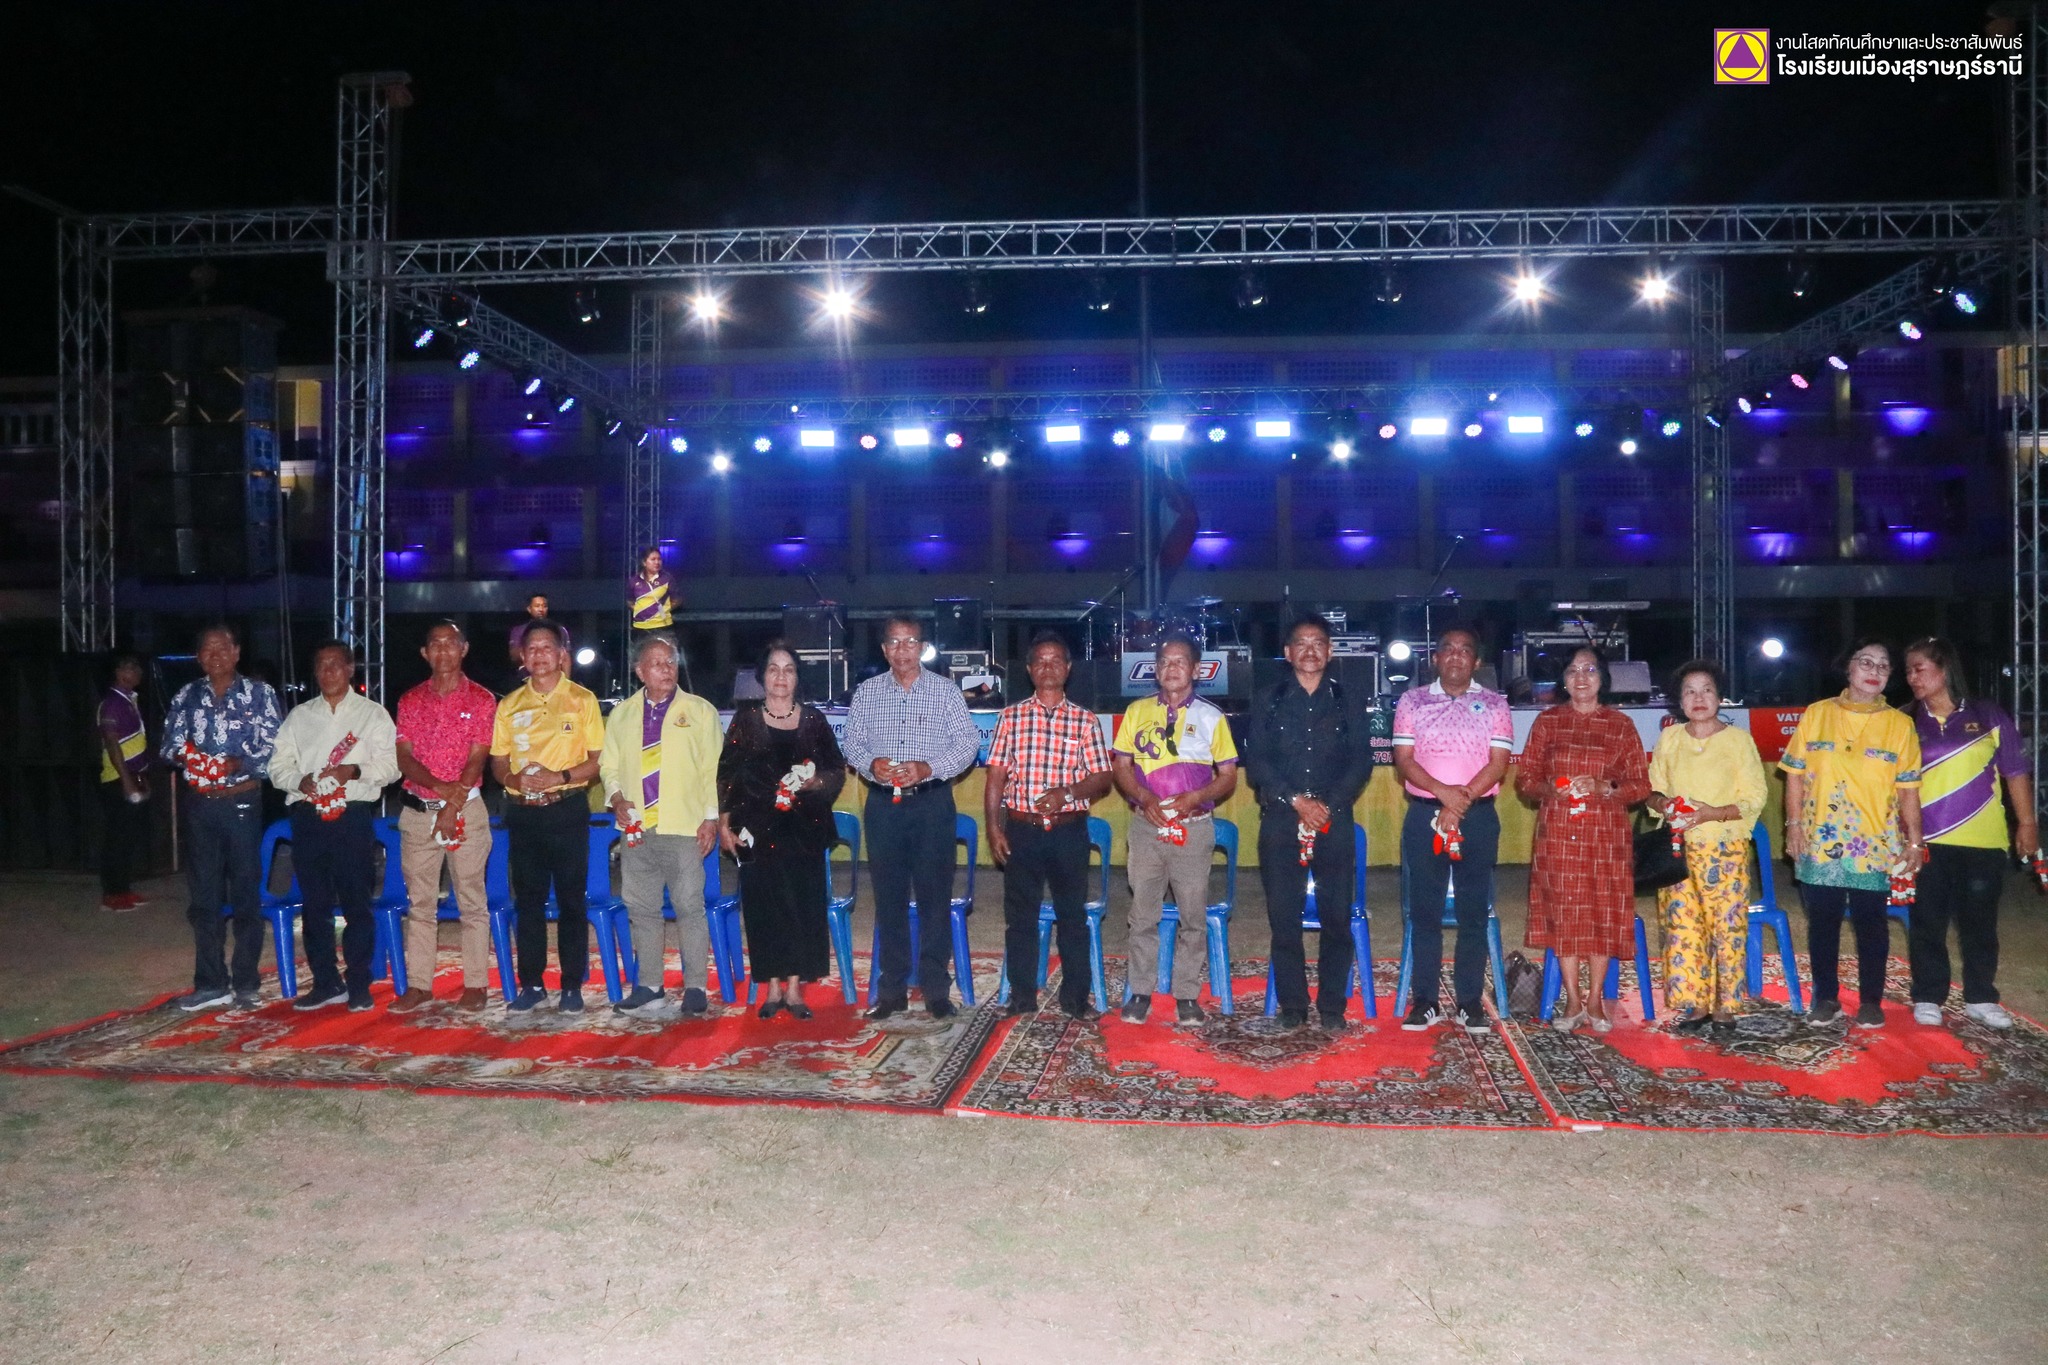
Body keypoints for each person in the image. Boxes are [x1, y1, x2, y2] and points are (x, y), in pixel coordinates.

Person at [841, 614, 983, 1021]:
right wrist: (871, 763)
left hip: (931, 804)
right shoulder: (868, 692)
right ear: (884, 649)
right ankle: (892, 990)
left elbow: (968, 745)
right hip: (884, 806)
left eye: (910, 642)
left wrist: (929, 767)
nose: (902, 650)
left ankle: (936, 989)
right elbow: (851, 742)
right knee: (889, 899)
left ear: (922, 648)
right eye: (894, 642)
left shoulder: (945, 692)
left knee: (934, 897)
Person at [1780, 637, 1924, 1028]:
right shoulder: (1817, 714)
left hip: (1874, 843)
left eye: (1883, 665)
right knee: (1823, 921)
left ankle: (1871, 1001)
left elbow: (1909, 790)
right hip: (1820, 840)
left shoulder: (1900, 725)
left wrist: (1915, 841)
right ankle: (1826, 998)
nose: (1875, 671)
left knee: (1871, 923)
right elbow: (1794, 777)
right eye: (1866, 662)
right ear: (1848, 667)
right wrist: (1793, 826)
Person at [1244, 615, 1375, 1030]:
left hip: (1333, 819)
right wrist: (1297, 800)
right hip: (1282, 817)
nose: (1310, 650)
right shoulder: (1268, 698)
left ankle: (1332, 1007)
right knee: (1284, 919)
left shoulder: (1348, 698)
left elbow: (1362, 760)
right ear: (1287, 653)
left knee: (1336, 918)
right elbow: (1256, 761)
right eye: (1301, 643)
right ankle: (1294, 1006)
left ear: (1330, 651)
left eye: (1318, 643)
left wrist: (1327, 805)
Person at [1516, 646, 1653, 1034]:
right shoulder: (1548, 722)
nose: (1581, 677)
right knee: (1565, 911)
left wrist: (1604, 787)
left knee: (1600, 910)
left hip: (1606, 832)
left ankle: (1595, 1000)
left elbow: (1641, 785)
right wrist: (1550, 789)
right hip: (1559, 831)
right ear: (1563, 680)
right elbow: (1525, 781)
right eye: (1573, 670)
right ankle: (1573, 1000)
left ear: (1602, 678)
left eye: (1590, 670)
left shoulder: (1620, 725)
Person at [1902, 637, 2032, 1031]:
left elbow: (2015, 771)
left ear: (1944, 669)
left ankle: (1980, 997)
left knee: (1980, 923)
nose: (1911, 677)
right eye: (1908, 671)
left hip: (1983, 840)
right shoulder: (1904, 720)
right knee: (1927, 922)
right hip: (1926, 841)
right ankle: (1928, 995)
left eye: (1919, 668)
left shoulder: (1987, 714)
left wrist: (2027, 824)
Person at [985, 631, 1115, 1021]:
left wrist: (1067, 793)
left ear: (1068, 668)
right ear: (1029, 670)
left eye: (1055, 660)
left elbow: (1103, 777)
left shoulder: (1085, 720)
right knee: (1020, 918)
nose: (1047, 667)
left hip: (1068, 831)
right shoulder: (1010, 718)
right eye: (1040, 661)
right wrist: (994, 828)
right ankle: (1022, 996)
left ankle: (1075, 1000)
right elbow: (996, 778)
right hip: (1021, 830)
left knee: (1072, 917)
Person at [1111, 632, 1240, 1027]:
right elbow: (1121, 766)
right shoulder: (1136, 712)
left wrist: (1195, 797)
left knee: (1192, 915)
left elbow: (1228, 776)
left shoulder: (1212, 717)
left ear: (1196, 670)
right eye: (1165, 661)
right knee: (1142, 914)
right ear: (1156, 669)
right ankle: (1140, 991)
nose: (1171, 668)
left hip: (1193, 828)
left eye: (1180, 661)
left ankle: (1186, 994)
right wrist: (1144, 798)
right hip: (1146, 827)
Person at [717, 640, 848, 1019]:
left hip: (804, 830)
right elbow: (727, 774)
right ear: (762, 677)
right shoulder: (745, 720)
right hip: (757, 830)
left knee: (802, 906)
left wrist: (814, 783)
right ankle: (771, 987)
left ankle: (794, 988)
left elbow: (836, 771)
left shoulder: (814, 720)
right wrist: (724, 821)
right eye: (773, 669)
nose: (780, 676)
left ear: (797, 678)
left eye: (788, 669)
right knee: (764, 908)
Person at [1391, 627, 1512, 1033]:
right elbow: (1405, 760)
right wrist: (1445, 795)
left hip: (1478, 817)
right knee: (1424, 912)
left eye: (1465, 650)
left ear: (1477, 662)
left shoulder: (1495, 703)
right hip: (1424, 816)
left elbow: (1498, 763)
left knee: (1473, 912)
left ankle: (1469, 1002)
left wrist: (1461, 802)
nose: (1456, 656)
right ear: (1435, 658)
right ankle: (1425, 1001)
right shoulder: (1412, 701)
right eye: (1448, 649)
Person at [269, 641, 399, 1012]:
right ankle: (326, 982)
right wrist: (299, 780)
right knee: (315, 905)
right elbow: (277, 766)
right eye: (321, 665)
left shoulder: (372, 715)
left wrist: (353, 770)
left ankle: (359, 983)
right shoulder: (300, 716)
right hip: (308, 816)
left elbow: (391, 767)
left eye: (336, 664)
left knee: (357, 902)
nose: (328, 672)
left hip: (352, 815)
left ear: (350, 669)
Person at [159, 623, 282, 1012]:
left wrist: (236, 763)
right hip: (200, 806)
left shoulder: (260, 694)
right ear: (199, 658)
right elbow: (168, 746)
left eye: (223, 648)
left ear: (237, 652)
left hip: (241, 802)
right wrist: (190, 758)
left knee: (245, 893)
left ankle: (246, 982)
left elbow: (275, 749)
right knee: (204, 898)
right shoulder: (186, 696)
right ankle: (211, 983)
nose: (216, 656)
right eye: (208, 650)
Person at [599, 633, 723, 1018]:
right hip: (637, 829)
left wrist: (711, 817)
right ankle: (650, 986)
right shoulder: (622, 715)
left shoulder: (700, 711)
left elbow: (713, 770)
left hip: (684, 826)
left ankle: (696, 986)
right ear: (639, 672)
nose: (666, 669)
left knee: (689, 905)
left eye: (670, 661)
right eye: (656, 663)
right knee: (641, 908)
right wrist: (617, 798)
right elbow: (608, 765)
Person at [489, 619, 606, 1013]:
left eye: (547, 648)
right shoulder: (509, 704)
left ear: (561, 655)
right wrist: (514, 779)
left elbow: (598, 760)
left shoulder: (582, 700)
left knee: (572, 901)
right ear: (523, 656)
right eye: (532, 648)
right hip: (523, 814)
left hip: (567, 809)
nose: (539, 655)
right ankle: (532, 984)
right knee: (528, 903)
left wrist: (560, 777)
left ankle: (571, 985)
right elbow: (498, 762)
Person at [1647, 659, 1768, 1036]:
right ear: (1679, 700)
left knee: (1726, 927)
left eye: (1707, 690)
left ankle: (1724, 1007)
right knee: (1684, 927)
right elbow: (1652, 791)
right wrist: (1663, 804)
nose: (1698, 698)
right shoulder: (1669, 739)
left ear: (1720, 697)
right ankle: (1696, 1005)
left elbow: (1754, 797)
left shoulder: (1738, 741)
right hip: (1678, 852)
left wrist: (1712, 813)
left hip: (1725, 850)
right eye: (1690, 691)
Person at [390, 621, 498, 1014]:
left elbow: (478, 757)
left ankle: (475, 984)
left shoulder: (482, 699)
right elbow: (404, 758)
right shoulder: (410, 700)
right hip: (419, 811)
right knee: (420, 903)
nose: (443, 651)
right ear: (424, 653)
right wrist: (439, 788)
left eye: (450, 643)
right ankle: (420, 985)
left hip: (466, 810)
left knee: (472, 899)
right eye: (434, 644)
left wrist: (452, 806)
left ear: (463, 649)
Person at [96, 653, 153, 911]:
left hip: (132, 775)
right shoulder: (112, 703)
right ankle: (112, 893)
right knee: (117, 837)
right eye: (130, 668)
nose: (136, 673)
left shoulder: (129, 700)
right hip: (117, 778)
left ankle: (123, 888)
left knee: (128, 836)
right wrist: (127, 781)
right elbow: (112, 743)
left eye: (137, 668)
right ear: (118, 673)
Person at [507, 594, 567, 672]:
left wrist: (566, 678)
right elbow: (514, 656)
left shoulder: (559, 630)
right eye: (537, 606)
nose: (541, 609)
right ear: (529, 609)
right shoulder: (518, 630)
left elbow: (566, 658)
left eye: (544, 606)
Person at [629, 547, 675, 634]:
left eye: (659, 559)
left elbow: (677, 599)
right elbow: (630, 601)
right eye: (653, 559)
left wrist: (661, 611)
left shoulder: (667, 578)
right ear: (644, 562)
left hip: (663, 625)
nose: (657, 562)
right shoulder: (634, 580)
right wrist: (643, 612)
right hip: (640, 626)